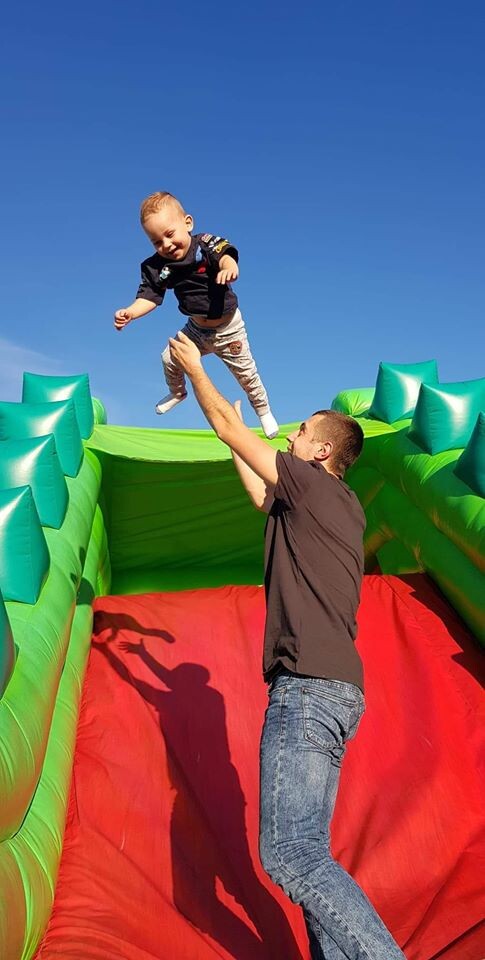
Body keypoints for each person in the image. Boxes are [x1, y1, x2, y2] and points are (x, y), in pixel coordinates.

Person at [168, 330, 407, 960]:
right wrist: (240, 434)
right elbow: (255, 488)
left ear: (322, 448)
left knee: (291, 858)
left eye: (301, 431)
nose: (291, 436)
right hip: (337, 692)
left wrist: (197, 369)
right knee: (310, 855)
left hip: (307, 689)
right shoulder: (334, 503)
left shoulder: (308, 482)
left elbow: (224, 426)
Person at [113, 191, 279, 439]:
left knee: (246, 374)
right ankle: (178, 392)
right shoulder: (157, 266)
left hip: (228, 328)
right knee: (169, 357)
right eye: (157, 242)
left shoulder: (205, 244)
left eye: (170, 234)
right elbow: (149, 297)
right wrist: (130, 312)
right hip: (196, 329)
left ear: (187, 223)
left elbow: (226, 254)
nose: (166, 245)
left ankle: (263, 411)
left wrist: (228, 267)